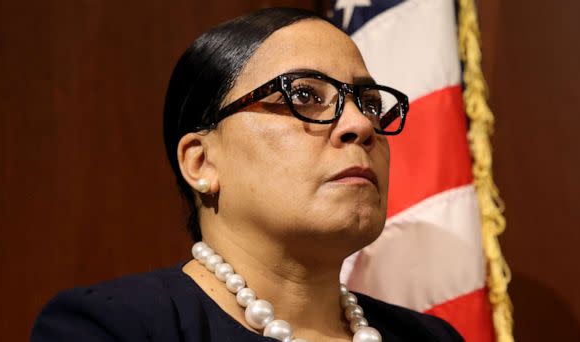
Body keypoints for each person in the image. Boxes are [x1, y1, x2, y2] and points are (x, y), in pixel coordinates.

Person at [31, 7, 463, 342]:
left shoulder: (431, 338)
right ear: (201, 162)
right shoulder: (116, 328)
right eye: (304, 95)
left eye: (368, 102)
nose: (361, 124)